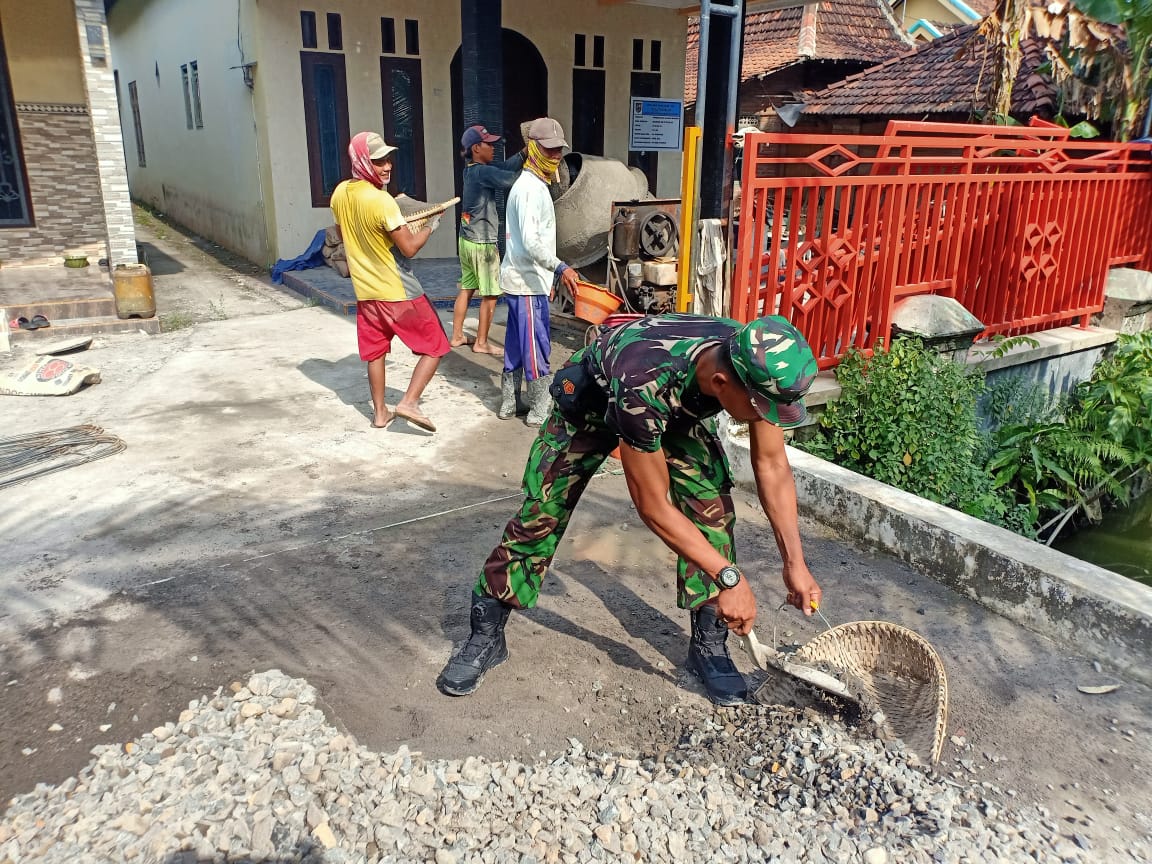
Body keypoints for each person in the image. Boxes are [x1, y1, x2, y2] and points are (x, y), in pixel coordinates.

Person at [437, 313, 824, 706]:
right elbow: (653, 506)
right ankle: (486, 631)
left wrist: (795, 562)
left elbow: (773, 465)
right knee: (542, 514)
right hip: (594, 407)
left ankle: (708, 645)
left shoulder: (752, 360)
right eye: (762, 410)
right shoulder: (645, 380)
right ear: (722, 384)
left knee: (710, 507)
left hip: (669, 414)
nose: (766, 418)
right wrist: (729, 579)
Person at [330, 131, 448, 433]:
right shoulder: (382, 202)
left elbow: (345, 236)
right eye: (378, 161)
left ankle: (380, 414)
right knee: (435, 345)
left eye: (388, 160)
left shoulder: (340, 193)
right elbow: (409, 247)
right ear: (362, 162)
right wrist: (432, 224)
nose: (387, 167)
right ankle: (409, 401)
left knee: (376, 352)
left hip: (365, 292)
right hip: (397, 290)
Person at [498, 117, 580, 425]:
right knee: (536, 345)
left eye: (559, 150)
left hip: (522, 278)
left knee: (517, 344)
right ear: (533, 149)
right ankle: (539, 407)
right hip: (527, 280)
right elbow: (532, 243)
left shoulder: (530, 185)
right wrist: (560, 269)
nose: (556, 156)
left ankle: (509, 402)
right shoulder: (530, 189)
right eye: (550, 151)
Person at [450, 124, 525, 356]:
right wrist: (533, 167)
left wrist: (523, 154)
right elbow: (509, 179)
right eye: (488, 144)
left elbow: (502, 168)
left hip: (466, 240)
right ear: (476, 148)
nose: (493, 148)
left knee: (467, 288)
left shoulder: (473, 170)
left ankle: (457, 336)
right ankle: (481, 342)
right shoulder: (483, 173)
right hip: (483, 244)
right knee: (491, 294)